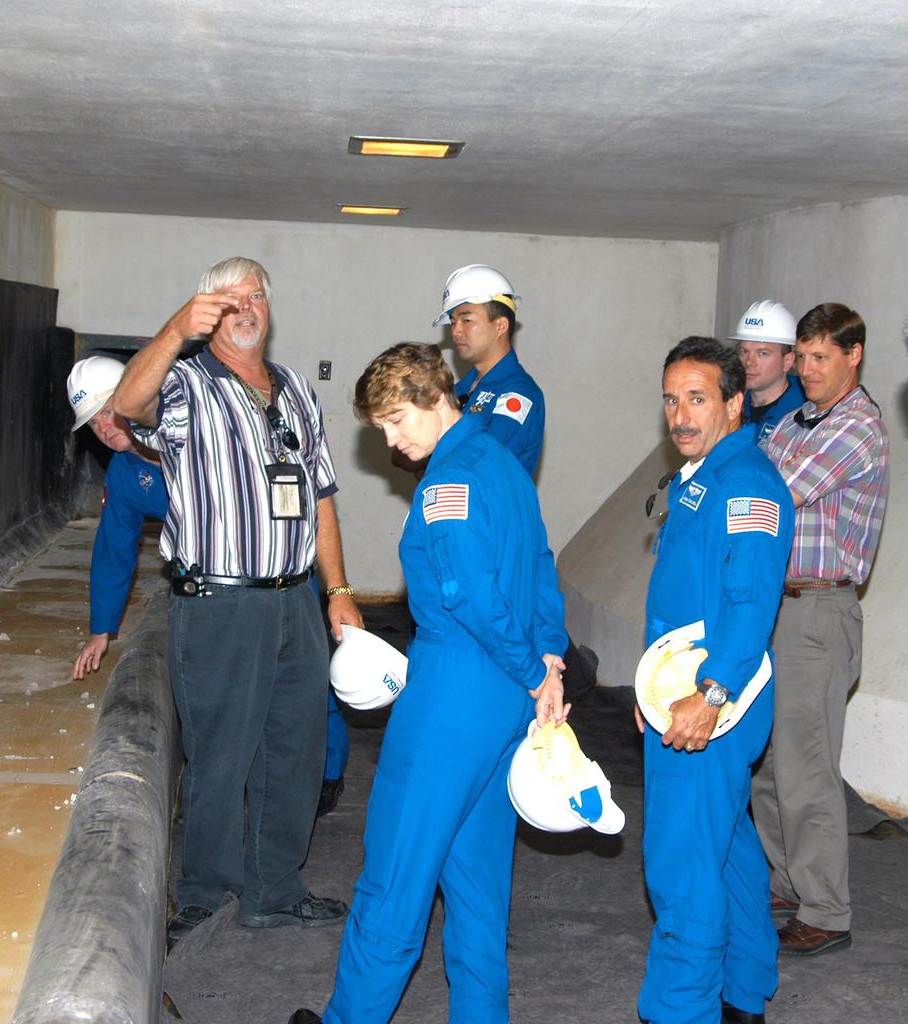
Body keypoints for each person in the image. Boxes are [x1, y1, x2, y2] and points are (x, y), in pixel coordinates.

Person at [291, 343, 568, 1024]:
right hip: (509, 700)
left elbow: (469, 597)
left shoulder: (449, 482)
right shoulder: (504, 464)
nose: (391, 441)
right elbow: (539, 566)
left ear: (434, 397)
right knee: (476, 889)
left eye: (394, 421)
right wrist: (548, 663)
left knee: (394, 877)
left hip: (453, 688)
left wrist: (534, 667)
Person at [113, 257, 362, 948]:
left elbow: (321, 496)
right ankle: (204, 894)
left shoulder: (295, 391)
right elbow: (127, 406)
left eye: (256, 296)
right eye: (230, 300)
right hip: (221, 603)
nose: (246, 309)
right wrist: (171, 333)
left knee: (296, 748)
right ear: (207, 311)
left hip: (295, 600)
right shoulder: (188, 384)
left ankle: (275, 890)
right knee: (222, 752)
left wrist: (338, 592)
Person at [634, 336, 793, 1024]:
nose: (680, 414)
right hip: (685, 693)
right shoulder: (702, 475)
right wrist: (652, 691)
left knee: (682, 863)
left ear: (733, 401)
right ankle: (743, 993)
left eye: (697, 398)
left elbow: (750, 601)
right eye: (671, 399)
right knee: (725, 849)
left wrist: (712, 694)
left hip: (713, 703)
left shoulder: (747, 484)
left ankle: (679, 1011)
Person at [750, 303, 889, 956]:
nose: (805, 370)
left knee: (806, 771)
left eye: (819, 358)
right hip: (778, 610)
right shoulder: (804, 419)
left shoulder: (855, 427)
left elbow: (770, 491)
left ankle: (827, 912)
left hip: (817, 613)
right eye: (799, 357)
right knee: (770, 766)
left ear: (853, 355)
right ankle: (785, 882)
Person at [64, 356, 169, 681]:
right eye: (94, 423)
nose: (104, 429)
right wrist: (101, 630)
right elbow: (114, 550)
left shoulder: (191, 439)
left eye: (107, 413)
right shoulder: (124, 474)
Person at [434, 263, 545, 475]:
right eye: (453, 321)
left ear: (500, 326)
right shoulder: (460, 390)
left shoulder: (519, 393)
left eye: (466, 320)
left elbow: (482, 461)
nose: (455, 331)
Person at [728, 300, 805, 445]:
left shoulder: (803, 415)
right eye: (744, 351)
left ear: (788, 361)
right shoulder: (731, 408)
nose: (749, 362)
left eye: (762, 353)